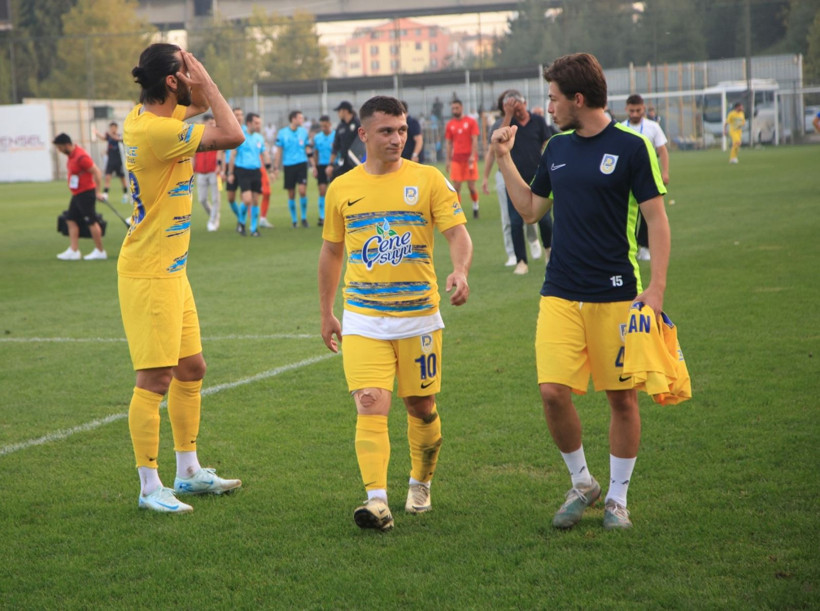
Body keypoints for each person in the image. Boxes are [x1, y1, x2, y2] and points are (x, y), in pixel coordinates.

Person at [491, 52, 670, 530]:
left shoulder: (633, 147)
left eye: (553, 98)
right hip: (560, 291)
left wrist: (655, 288)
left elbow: (656, 218)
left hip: (616, 294)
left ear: (577, 98)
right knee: (552, 392)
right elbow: (530, 209)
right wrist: (504, 159)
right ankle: (582, 482)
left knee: (621, 399)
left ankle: (616, 497)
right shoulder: (556, 149)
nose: (547, 107)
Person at [318, 95, 472, 532]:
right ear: (363, 134)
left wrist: (459, 270)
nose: (397, 138)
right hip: (363, 318)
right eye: (387, 131)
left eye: (402, 129)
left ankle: (420, 482)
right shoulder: (342, 187)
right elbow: (331, 251)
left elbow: (458, 234)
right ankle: (376, 500)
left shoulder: (428, 180)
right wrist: (328, 311)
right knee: (370, 403)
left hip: (420, 318)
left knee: (420, 406)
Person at [120, 43, 245, 513]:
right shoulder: (156, 132)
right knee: (155, 378)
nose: (193, 70)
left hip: (172, 269)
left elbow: (199, 109)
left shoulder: (146, 117)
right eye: (185, 66)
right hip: (150, 271)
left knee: (192, 369)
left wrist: (194, 83)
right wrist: (206, 79)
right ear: (172, 81)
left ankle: (188, 472)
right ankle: (150, 487)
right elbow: (232, 133)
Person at [495, 89, 553, 276]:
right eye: (512, 108)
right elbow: (501, 140)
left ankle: (549, 252)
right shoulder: (508, 123)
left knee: (544, 219)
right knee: (514, 221)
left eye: (518, 106)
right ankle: (521, 261)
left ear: (525, 104)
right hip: (514, 179)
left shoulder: (537, 121)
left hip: (538, 176)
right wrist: (508, 115)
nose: (517, 111)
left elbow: (547, 142)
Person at [481, 91, 541, 267]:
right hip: (504, 174)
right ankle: (513, 254)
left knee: (528, 210)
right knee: (508, 218)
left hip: (527, 173)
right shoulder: (501, 124)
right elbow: (494, 150)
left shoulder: (528, 122)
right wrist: (485, 177)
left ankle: (533, 240)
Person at [622, 94, 670, 261]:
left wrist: (665, 172)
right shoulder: (621, 128)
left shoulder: (653, 127)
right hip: (625, 178)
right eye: (632, 111)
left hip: (647, 176)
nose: (635, 114)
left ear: (643, 108)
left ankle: (645, 247)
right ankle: (630, 246)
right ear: (626, 110)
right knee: (627, 213)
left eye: (638, 110)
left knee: (648, 212)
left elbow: (662, 150)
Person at [53, 133, 107, 261]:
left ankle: (100, 251)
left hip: (86, 193)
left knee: (91, 221)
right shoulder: (71, 156)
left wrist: (98, 191)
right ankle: (74, 250)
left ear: (67, 145)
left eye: (60, 147)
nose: (59, 150)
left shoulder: (81, 156)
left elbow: (97, 172)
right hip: (77, 194)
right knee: (70, 219)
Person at [227, 112, 270, 237]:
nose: (258, 125)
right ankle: (241, 222)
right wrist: (230, 173)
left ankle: (253, 229)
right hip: (242, 171)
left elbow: (264, 153)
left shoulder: (259, 138)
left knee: (256, 201)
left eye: (259, 123)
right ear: (249, 123)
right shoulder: (240, 136)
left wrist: (270, 168)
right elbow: (233, 155)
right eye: (256, 123)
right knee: (247, 200)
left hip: (256, 171)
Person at [274, 110, 314, 228]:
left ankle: (304, 218)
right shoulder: (282, 133)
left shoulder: (303, 132)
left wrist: (313, 165)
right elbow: (279, 151)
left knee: (302, 191)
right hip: (289, 166)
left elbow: (307, 149)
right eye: (300, 118)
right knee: (291, 194)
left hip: (302, 164)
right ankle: (294, 220)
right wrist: (276, 167)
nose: (302, 120)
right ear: (293, 119)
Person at [445, 98, 481, 219]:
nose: (455, 110)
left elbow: (474, 139)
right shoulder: (450, 125)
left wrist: (472, 155)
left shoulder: (471, 122)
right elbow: (449, 143)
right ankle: (458, 212)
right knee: (456, 187)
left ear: (462, 108)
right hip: (456, 159)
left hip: (469, 159)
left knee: (471, 186)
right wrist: (447, 160)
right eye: (453, 108)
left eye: (457, 108)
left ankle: (475, 207)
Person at [193, 114, 223, 231]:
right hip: (201, 171)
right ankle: (214, 215)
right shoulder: (198, 136)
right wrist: (193, 168)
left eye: (213, 123)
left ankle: (212, 221)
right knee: (202, 199)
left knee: (216, 198)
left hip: (213, 171)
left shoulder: (217, 135)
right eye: (210, 123)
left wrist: (219, 166)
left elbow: (220, 151)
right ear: (204, 123)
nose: (212, 125)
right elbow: (193, 154)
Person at [94, 121, 129, 204]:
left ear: (116, 128)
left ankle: (125, 194)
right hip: (111, 161)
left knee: (122, 178)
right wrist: (96, 133)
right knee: (107, 177)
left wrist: (110, 134)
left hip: (119, 161)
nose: (112, 129)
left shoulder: (119, 136)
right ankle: (105, 194)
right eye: (111, 127)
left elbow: (117, 139)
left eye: (114, 127)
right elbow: (103, 138)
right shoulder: (108, 137)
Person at [327, 101, 361, 181]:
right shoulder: (340, 127)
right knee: (335, 178)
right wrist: (330, 165)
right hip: (344, 161)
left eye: (339, 111)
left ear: (345, 111)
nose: (338, 114)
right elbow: (335, 147)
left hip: (357, 161)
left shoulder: (358, 124)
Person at [310, 114, 334, 226]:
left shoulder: (335, 135)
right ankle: (322, 216)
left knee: (335, 192)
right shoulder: (317, 137)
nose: (324, 128)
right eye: (322, 126)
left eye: (325, 126)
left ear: (330, 124)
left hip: (333, 166)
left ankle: (334, 216)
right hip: (321, 166)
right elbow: (315, 153)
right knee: (322, 191)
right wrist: (314, 167)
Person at [222, 107, 245, 221]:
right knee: (231, 198)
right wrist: (223, 170)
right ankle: (240, 218)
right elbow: (222, 151)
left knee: (244, 196)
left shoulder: (247, 131)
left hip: (242, 166)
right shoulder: (227, 130)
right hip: (229, 166)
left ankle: (241, 222)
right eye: (236, 114)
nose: (239, 117)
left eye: (240, 114)